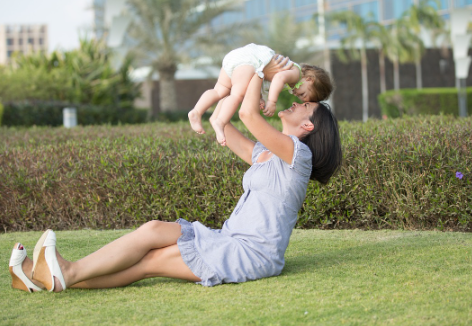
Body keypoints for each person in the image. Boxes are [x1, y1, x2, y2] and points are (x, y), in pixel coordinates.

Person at [8, 56, 342, 292]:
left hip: (251, 254)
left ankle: (63, 273)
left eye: (304, 106)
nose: (296, 102)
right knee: (153, 231)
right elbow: (226, 123)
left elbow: (249, 114)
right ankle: (40, 277)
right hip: (225, 237)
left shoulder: (300, 155)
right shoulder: (267, 154)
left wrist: (258, 62)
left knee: (153, 261)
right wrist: (235, 82)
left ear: (308, 126)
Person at [188, 43, 333, 146]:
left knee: (220, 90)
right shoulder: (296, 73)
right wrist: (271, 101)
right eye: (303, 95)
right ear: (309, 79)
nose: (298, 96)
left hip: (237, 58)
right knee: (237, 95)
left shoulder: (291, 77)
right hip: (250, 61)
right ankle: (220, 121)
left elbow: (263, 80)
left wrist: (260, 98)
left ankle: (197, 111)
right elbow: (277, 78)